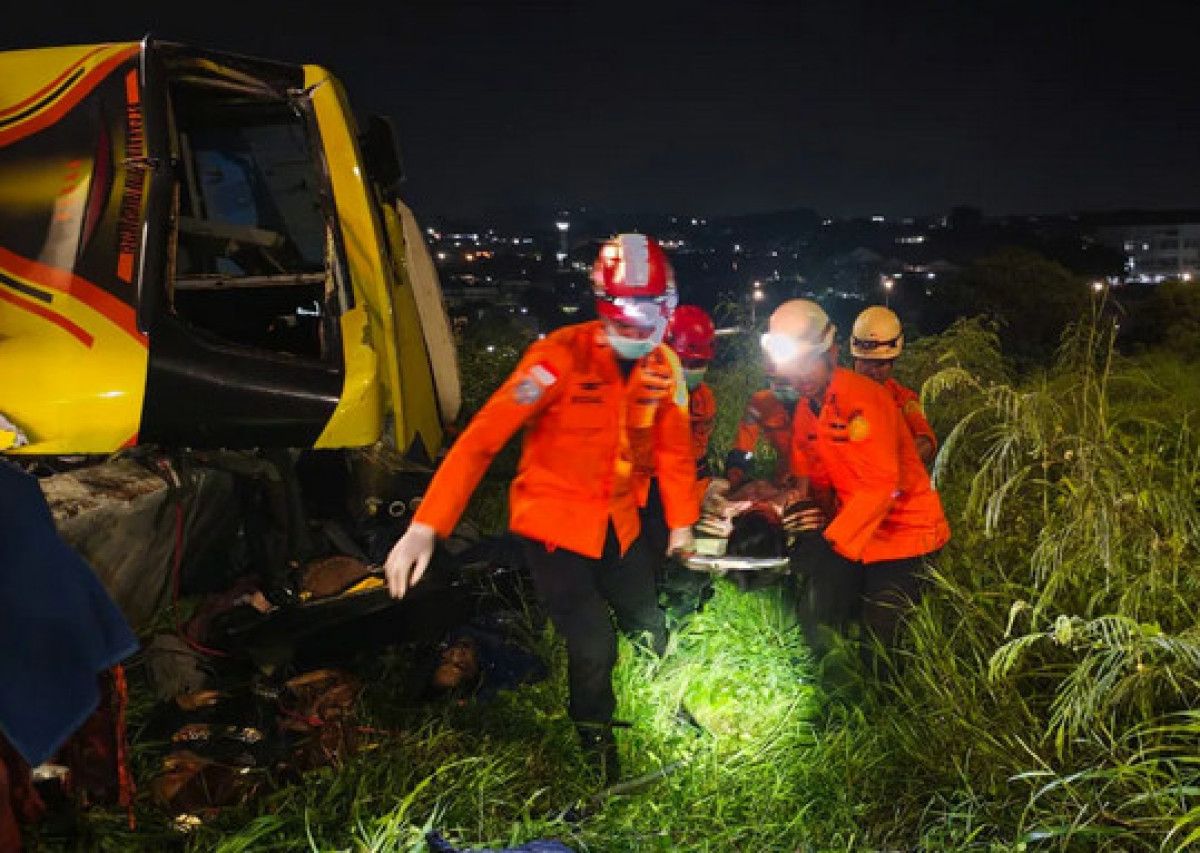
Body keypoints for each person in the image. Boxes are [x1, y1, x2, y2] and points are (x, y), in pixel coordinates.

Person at [383, 234, 698, 781]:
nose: (638, 334)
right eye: (628, 322)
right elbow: (483, 439)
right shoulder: (554, 362)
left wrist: (682, 524)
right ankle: (597, 746)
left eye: (648, 320)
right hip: (554, 529)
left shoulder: (660, 368)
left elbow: (673, 451)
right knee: (593, 644)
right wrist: (426, 526)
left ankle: (672, 707)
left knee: (650, 624)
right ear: (605, 308)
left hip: (618, 523)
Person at [760, 300, 950, 675]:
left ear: (831, 353)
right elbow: (810, 477)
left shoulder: (867, 399)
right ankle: (830, 687)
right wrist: (794, 512)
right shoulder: (807, 410)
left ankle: (883, 702)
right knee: (817, 612)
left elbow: (881, 486)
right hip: (856, 533)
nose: (801, 375)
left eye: (809, 362)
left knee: (881, 644)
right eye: (793, 366)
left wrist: (830, 544)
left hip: (904, 535)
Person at [643, 305, 718, 617]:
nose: (689, 370)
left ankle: (683, 603)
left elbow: (696, 456)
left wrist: (706, 492)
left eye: (697, 364)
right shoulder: (647, 389)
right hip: (645, 486)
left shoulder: (703, 399)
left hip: (683, 487)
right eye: (684, 362)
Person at [850, 306, 937, 466]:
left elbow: (926, 440)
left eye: (880, 364)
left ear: (892, 364)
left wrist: (895, 466)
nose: (872, 371)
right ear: (855, 359)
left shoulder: (904, 400)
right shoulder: (833, 395)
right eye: (866, 362)